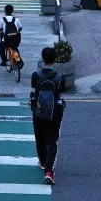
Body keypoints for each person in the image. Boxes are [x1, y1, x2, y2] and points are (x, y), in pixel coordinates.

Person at [31, 47, 66, 186]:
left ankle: (43, 161)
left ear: (42, 59)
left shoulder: (36, 75)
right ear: (55, 58)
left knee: (39, 138)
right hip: (55, 112)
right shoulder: (59, 77)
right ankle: (49, 172)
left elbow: (34, 88)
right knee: (52, 140)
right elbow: (61, 91)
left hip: (38, 111)